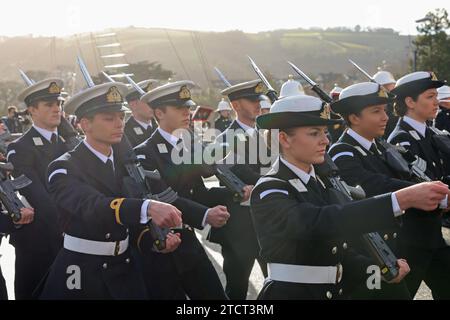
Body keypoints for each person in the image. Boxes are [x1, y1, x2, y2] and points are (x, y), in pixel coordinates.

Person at [251, 93, 449, 300]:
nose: (325, 140)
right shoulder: (270, 190)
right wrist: (400, 200)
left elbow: (339, 251)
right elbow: (322, 222)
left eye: (325, 132)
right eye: (314, 133)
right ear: (284, 139)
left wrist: (381, 270)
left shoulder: (319, 183)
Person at [39, 81, 182, 299]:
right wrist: (147, 207)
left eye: (121, 117)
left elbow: (129, 224)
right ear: (84, 124)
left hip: (124, 266)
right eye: (109, 118)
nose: (119, 124)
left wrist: (154, 241)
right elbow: (91, 205)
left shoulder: (125, 163)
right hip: (83, 271)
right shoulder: (63, 167)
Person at [328, 82, 450, 299]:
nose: (385, 117)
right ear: (354, 118)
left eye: (384, 110)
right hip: (393, 247)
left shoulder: (381, 146)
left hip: (420, 238)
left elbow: (409, 176)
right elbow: (373, 184)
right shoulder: (342, 152)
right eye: (376, 111)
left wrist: (435, 191)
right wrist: (423, 192)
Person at [136, 80, 233, 299]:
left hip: (187, 240)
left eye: (188, 107)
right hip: (160, 245)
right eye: (180, 108)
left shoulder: (188, 146)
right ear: (159, 113)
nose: (187, 112)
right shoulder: (144, 153)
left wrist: (234, 194)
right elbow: (165, 198)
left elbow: (197, 192)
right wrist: (206, 215)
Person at [386, 71, 450, 298]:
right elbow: (414, 181)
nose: (436, 102)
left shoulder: (431, 134)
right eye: (430, 96)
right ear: (410, 102)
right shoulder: (401, 139)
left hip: (432, 236)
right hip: (411, 240)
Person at [6, 78, 68, 299]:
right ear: (32, 110)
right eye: (48, 105)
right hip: (38, 242)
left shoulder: (70, 144)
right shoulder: (20, 147)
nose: (56, 109)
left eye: (58, 104)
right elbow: (39, 197)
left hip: (71, 239)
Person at [124, 79, 158, 147]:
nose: (152, 105)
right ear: (133, 105)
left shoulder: (160, 125)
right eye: (147, 102)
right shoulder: (125, 132)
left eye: (153, 101)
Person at [373, 70, 398, 139]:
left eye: (393, 86)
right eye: (388, 86)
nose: (393, 89)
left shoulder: (397, 103)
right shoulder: (376, 105)